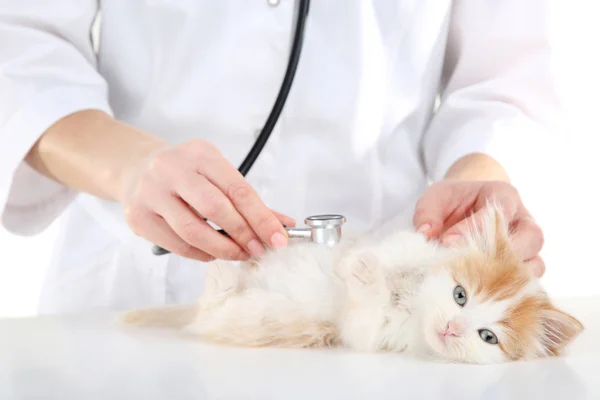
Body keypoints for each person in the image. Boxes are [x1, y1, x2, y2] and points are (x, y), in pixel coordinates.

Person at [0, 1, 552, 315]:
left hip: (383, 301)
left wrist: (480, 178)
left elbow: (502, 78)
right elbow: (19, 44)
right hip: (136, 290)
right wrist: (128, 167)